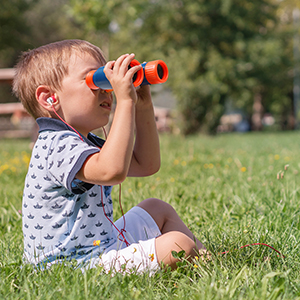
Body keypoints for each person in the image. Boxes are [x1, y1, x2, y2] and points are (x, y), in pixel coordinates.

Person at [13, 39, 206, 273]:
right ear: (50, 98)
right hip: (72, 265)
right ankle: (200, 259)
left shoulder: (83, 142)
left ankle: (206, 262)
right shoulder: (55, 145)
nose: (108, 89)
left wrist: (142, 106)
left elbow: (146, 165)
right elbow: (111, 170)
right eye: (95, 80)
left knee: (157, 208)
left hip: (100, 245)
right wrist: (125, 102)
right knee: (178, 245)